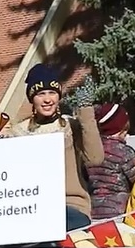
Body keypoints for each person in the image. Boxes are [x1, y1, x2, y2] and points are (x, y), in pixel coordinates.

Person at [6, 64, 104, 230]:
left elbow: (95, 158)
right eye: (40, 94)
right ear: (32, 98)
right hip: (31, 207)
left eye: (52, 92)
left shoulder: (71, 127)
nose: (47, 99)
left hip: (71, 205)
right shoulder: (18, 133)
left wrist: (86, 111)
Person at [88, 102, 135, 220]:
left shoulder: (90, 150)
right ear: (123, 127)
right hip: (120, 211)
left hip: (93, 210)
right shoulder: (124, 153)